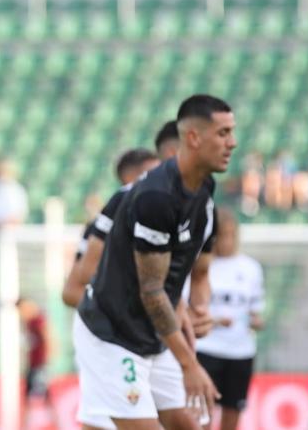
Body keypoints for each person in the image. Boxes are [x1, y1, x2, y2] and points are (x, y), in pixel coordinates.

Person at [76, 95, 236, 429]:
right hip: (113, 333)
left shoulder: (204, 188)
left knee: (189, 424)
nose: (231, 143)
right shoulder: (155, 198)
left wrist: (197, 308)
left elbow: (199, 270)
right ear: (192, 137)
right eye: (222, 133)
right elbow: (152, 290)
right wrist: (189, 363)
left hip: (153, 333)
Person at [62, 147, 160, 310]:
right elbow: (71, 292)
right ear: (130, 179)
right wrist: (123, 316)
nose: (160, 181)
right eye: (151, 174)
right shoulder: (101, 226)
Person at [195, 213, 263, 430]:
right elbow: (190, 313)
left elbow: (255, 311)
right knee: (202, 415)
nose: (227, 241)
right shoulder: (201, 267)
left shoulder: (251, 268)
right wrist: (214, 321)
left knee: (232, 414)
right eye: (222, 236)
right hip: (207, 350)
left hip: (240, 352)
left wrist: (256, 321)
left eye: (231, 235)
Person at [18, 297, 58, 430]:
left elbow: (47, 336)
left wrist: (49, 357)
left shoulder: (37, 321)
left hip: (40, 365)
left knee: (41, 396)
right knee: (36, 396)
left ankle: (55, 424)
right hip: (34, 364)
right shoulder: (29, 323)